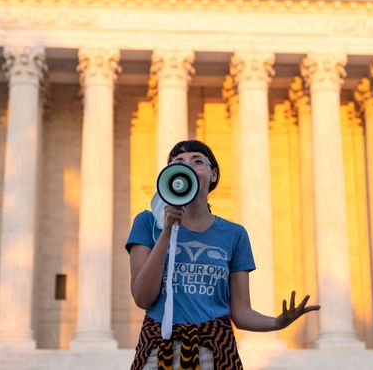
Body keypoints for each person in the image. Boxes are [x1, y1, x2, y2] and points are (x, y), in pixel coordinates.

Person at [126, 139, 320, 369]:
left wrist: (278, 322)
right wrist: (167, 230)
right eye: (178, 162)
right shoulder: (147, 223)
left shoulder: (234, 234)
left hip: (215, 352)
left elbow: (240, 311)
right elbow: (142, 297)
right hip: (160, 352)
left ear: (213, 174)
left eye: (197, 161)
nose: (187, 165)